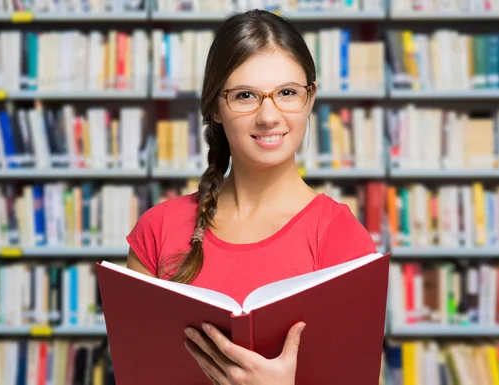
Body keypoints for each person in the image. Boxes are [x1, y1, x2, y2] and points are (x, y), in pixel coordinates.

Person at [126, 8, 377, 385]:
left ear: (310, 99)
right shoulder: (156, 230)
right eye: (245, 96)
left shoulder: (343, 241)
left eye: (287, 93)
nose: (269, 116)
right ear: (215, 108)